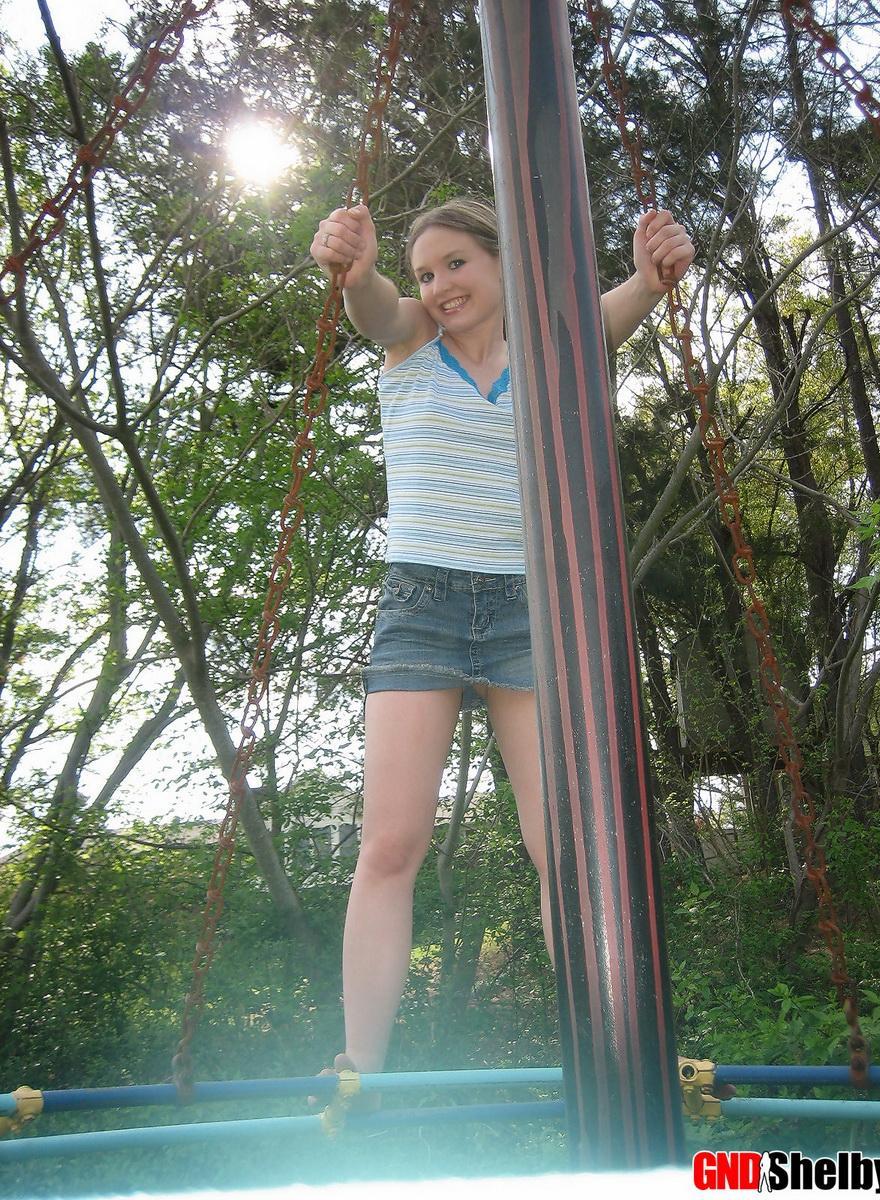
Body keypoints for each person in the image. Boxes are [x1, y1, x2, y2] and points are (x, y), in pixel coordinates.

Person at [309, 197, 694, 1078]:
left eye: (456, 264)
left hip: (531, 608)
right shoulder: (408, 338)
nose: (439, 286)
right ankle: (359, 1068)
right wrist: (361, 274)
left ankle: (612, 1055)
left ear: (501, 260)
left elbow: (620, 306)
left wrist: (650, 274)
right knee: (391, 842)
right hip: (423, 605)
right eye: (426, 273)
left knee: (558, 841)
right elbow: (372, 309)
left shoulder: (553, 350)